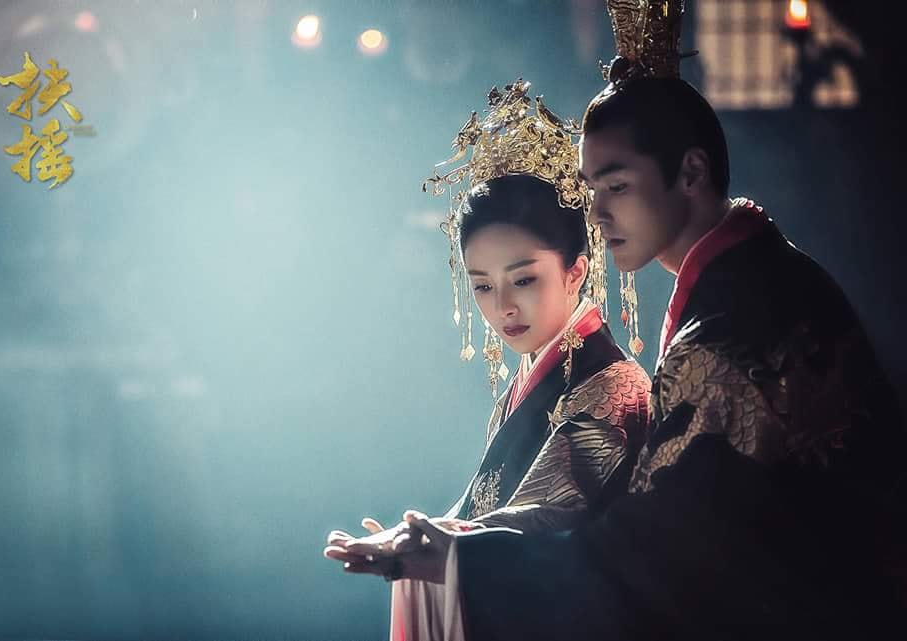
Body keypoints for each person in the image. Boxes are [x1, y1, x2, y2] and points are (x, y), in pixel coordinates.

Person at [331, 2, 907, 639]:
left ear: (691, 171)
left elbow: (649, 552)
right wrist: (436, 540)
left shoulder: (722, 335)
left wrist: (456, 556)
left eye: (618, 185)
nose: (598, 213)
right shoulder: (761, 275)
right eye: (592, 189)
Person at [324, 81, 650, 641]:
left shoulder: (614, 385)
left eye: (523, 279)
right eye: (482, 286)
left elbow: (543, 514)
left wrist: (433, 545)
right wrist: (417, 536)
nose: (503, 307)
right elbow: (483, 506)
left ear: (575, 270)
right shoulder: (526, 383)